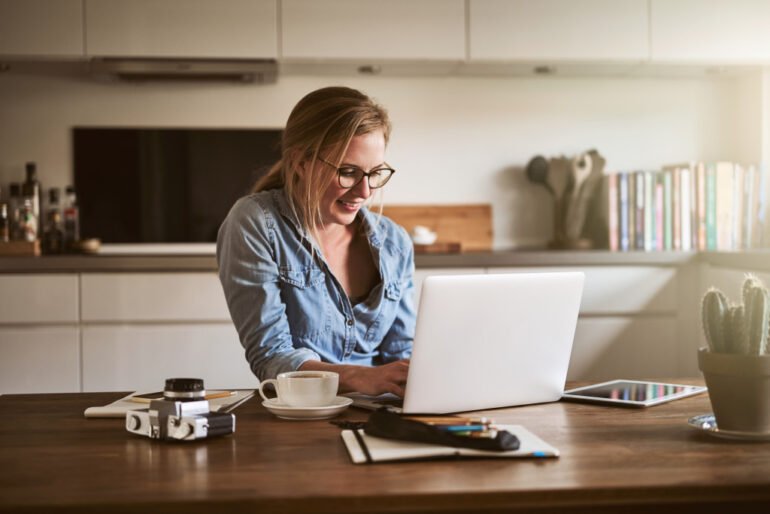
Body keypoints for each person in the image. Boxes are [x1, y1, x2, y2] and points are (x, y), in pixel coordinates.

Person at [217, 86, 415, 398]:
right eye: (348, 172)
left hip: (380, 414)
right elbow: (271, 358)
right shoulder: (256, 223)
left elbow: (401, 351)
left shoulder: (395, 241)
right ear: (300, 163)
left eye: (375, 173)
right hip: (302, 415)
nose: (365, 192)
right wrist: (361, 378)